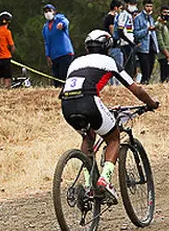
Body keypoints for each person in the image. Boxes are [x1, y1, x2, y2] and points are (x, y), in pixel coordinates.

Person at [60, 29, 160, 205]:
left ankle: (87, 184)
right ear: (107, 46)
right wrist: (151, 103)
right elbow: (135, 87)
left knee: (87, 136)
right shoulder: (109, 61)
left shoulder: (76, 62)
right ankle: (104, 180)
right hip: (89, 101)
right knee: (113, 138)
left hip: (66, 104)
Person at [42, 3, 74, 84]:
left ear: (54, 12)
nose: (47, 13)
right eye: (46, 11)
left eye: (49, 11)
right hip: (54, 56)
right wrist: (48, 55)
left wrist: (62, 24)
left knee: (64, 76)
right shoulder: (45, 28)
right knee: (56, 79)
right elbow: (46, 42)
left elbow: (66, 21)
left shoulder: (59, 19)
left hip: (65, 53)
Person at [134, 0, 159, 84]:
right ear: (144, 6)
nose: (149, 8)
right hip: (143, 48)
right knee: (145, 70)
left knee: (150, 70)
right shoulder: (138, 18)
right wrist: (146, 30)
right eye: (147, 6)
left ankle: (147, 86)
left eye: (151, 6)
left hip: (151, 46)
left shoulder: (151, 18)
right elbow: (136, 34)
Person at [115, 0, 139, 79]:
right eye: (131, 4)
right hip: (125, 44)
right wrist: (129, 42)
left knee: (132, 68)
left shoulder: (130, 16)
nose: (133, 6)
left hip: (130, 43)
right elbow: (120, 31)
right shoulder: (123, 15)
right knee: (127, 67)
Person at [0, 11, 16, 88]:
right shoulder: (7, 32)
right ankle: (6, 89)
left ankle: (1, 89)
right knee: (8, 76)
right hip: (6, 57)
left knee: (1, 75)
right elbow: (12, 45)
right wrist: (12, 52)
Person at [155, 6, 169, 82]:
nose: (166, 14)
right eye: (164, 12)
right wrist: (167, 54)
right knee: (165, 79)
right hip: (164, 56)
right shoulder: (158, 25)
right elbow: (160, 42)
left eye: (168, 13)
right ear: (160, 13)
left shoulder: (164, 25)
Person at [103, 0, 124, 71]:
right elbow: (113, 32)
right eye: (120, 8)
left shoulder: (113, 17)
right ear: (116, 8)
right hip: (113, 46)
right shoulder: (111, 18)